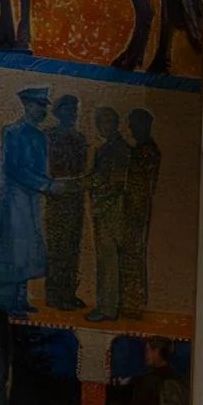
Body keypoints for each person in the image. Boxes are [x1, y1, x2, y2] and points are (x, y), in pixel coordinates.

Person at [0, 87, 55, 316]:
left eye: (44, 107)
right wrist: (45, 185)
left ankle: (20, 299)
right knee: (12, 252)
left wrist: (46, 185)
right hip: (14, 202)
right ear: (28, 106)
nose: (43, 111)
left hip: (31, 202)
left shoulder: (40, 136)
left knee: (27, 251)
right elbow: (14, 168)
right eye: (40, 106)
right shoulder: (12, 132)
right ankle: (5, 303)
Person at [86, 107, 129, 324]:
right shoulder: (106, 148)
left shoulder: (119, 149)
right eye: (100, 122)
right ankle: (106, 305)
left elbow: (116, 181)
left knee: (109, 260)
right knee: (105, 260)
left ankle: (108, 307)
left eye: (107, 122)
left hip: (111, 211)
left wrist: (92, 187)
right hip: (104, 210)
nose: (103, 126)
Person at [44, 94, 86, 311]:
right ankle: (54, 296)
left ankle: (68, 294)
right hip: (56, 199)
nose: (72, 114)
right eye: (68, 110)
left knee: (72, 249)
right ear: (58, 113)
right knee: (56, 249)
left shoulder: (79, 139)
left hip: (74, 200)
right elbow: (43, 167)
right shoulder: (49, 136)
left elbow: (82, 169)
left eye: (74, 110)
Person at [120, 108, 159, 319]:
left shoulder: (147, 151)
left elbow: (142, 185)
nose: (131, 129)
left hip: (137, 210)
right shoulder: (140, 150)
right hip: (133, 209)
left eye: (134, 125)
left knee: (133, 257)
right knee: (129, 257)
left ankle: (133, 304)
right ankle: (130, 301)